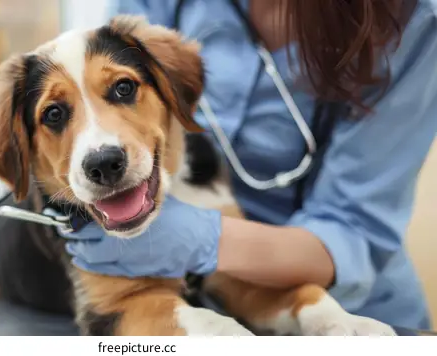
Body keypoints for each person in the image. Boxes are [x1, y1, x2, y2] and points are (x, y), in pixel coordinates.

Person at [61, 0, 437, 332]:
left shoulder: (415, 20)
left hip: (344, 309)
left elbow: (353, 228)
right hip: (188, 304)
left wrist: (206, 239)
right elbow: (94, 81)